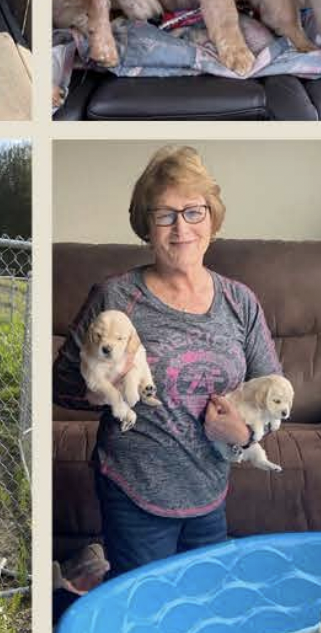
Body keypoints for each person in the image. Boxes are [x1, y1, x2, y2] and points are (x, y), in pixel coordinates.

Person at [51, 145, 282, 576]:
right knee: (147, 613)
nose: (181, 228)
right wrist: (109, 385)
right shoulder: (115, 297)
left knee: (204, 604)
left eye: (194, 211)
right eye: (165, 215)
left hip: (210, 488)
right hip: (133, 486)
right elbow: (61, 385)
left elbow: (275, 390)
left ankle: (84, 575)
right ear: (146, 226)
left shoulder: (240, 302)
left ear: (212, 217)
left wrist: (245, 433)